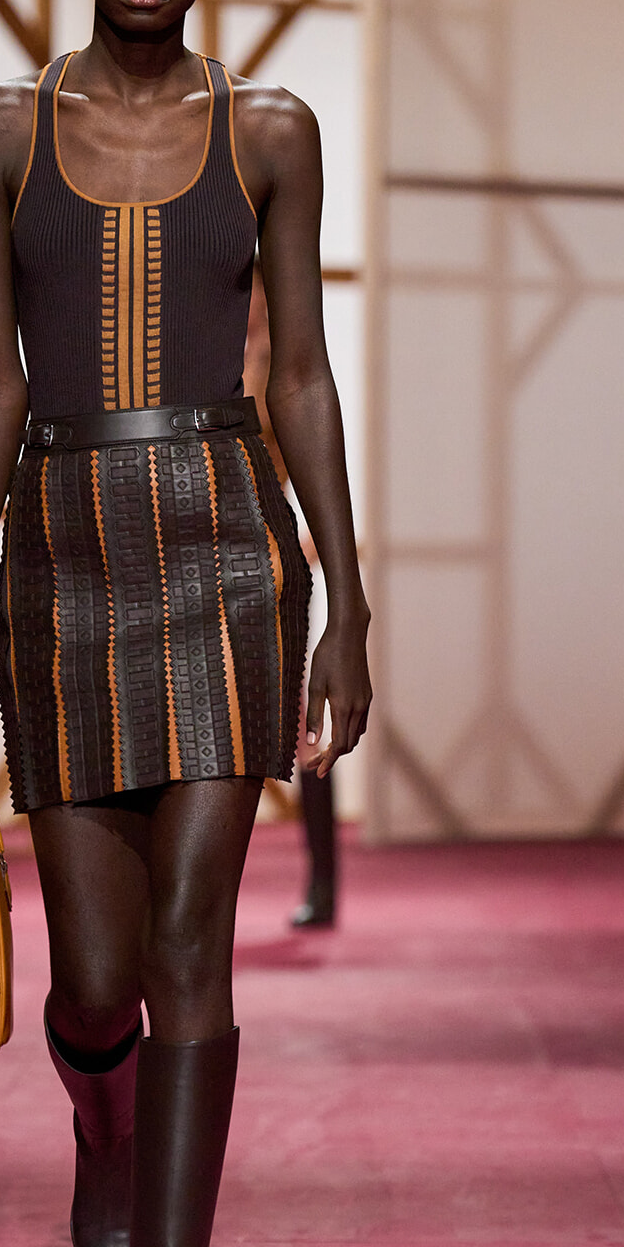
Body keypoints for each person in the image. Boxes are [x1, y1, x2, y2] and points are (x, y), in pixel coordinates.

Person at [0, 0, 371, 1247]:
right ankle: (102, 1132)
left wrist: (351, 602)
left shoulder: (273, 133)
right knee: (98, 979)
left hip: (226, 547)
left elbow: (303, 373)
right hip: (61, 552)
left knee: (193, 946)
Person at [243, 264, 338, 929]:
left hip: (273, 563)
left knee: (305, 732)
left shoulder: (284, 372)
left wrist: (298, 548)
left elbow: (307, 472)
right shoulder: (215, 364)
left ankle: (324, 879)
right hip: (221, 556)